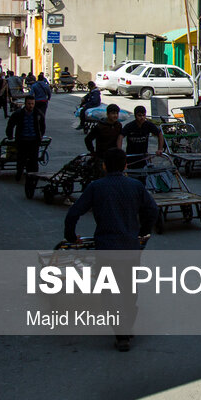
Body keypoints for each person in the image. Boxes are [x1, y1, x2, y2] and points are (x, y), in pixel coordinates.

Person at [63, 148, 158, 350]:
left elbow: (73, 213)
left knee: (109, 291)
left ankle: (121, 333)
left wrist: (71, 236)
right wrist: (143, 231)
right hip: (131, 246)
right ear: (125, 165)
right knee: (129, 289)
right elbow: (152, 209)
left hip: (106, 247)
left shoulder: (96, 187)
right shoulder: (135, 186)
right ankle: (127, 327)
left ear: (104, 166)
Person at [6, 96, 45, 181]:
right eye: (29, 104)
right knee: (21, 159)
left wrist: (40, 136)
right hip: (22, 140)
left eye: (32, 104)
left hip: (34, 140)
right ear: (25, 103)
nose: (31, 106)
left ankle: (33, 176)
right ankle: (19, 174)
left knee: (34, 160)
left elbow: (42, 126)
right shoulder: (18, 113)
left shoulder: (38, 113)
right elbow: (10, 125)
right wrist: (10, 135)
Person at [118, 105, 165, 169]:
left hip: (144, 156)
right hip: (131, 157)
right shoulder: (129, 126)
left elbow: (160, 134)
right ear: (135, 116)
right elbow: (120, 136)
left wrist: (160, 149)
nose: (142, 117)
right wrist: (119, 151)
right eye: (139, 115)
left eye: (143, 115)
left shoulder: (148, 125)